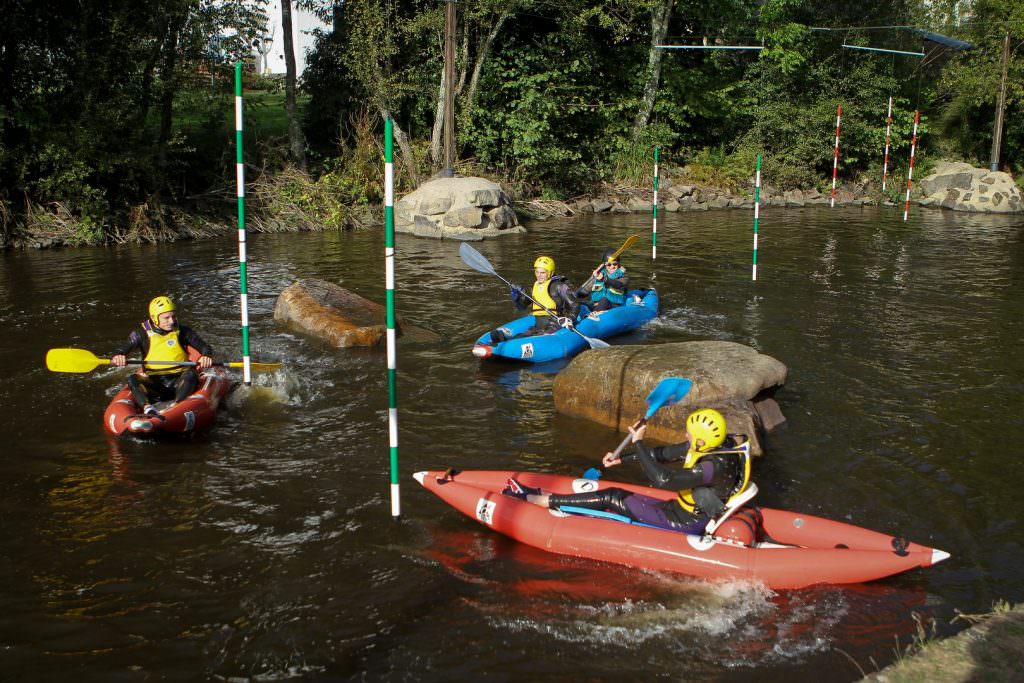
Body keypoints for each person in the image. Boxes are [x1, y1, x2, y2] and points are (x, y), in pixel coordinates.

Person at [504, 408, 752, 534]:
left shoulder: (713, 466)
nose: (686, 435)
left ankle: (537, 499)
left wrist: (639, 442)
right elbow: (662, 455)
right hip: (682, 508)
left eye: (690, 433)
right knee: (617, 494)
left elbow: (663, 479)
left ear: (700, 441)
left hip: (688, 521)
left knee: (612, 496)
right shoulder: (714, 445)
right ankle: (541, 497)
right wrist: (622, 459)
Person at [111, 295, 215, 416]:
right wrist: (118, 356)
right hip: (155, 384)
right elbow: (121, 349)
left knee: (191, 374)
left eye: (173, 316)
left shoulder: (183, 331)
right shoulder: (140, 334)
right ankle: (147, 408)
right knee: (132, 378)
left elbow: (204, 347)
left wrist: (206, 355)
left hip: (180, 381)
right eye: (166, 318)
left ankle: (175, 407)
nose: (172, 321)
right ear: (154, 318)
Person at [489, 255, 579, 343]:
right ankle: (505, 341)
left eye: (542, 273)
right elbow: (522, 307)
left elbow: (575, 305)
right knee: (526, 334)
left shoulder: (559, 286)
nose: (539, 275)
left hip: (556, 323)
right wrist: (517, 298)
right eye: (537, 272)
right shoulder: (535, 286)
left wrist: (570, 319)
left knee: (542, 337)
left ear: (550, 272)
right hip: (538, 324)